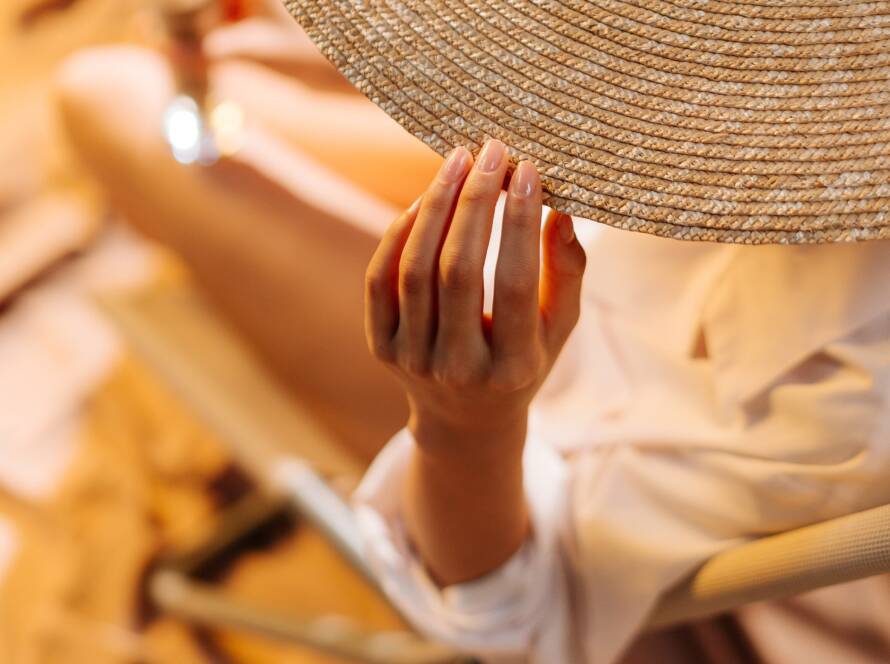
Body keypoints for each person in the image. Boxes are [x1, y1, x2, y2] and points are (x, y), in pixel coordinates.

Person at [358, 138, 890, 663]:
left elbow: (524, 600)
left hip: (483, 434)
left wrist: (464, 427)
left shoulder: (839, 403)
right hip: (532, 270)